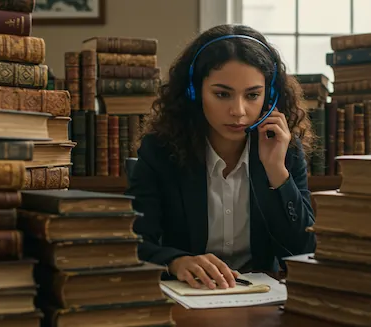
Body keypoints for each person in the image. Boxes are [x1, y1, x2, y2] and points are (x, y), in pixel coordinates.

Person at [125, 24, 316, 290]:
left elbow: (304, 250)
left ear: (270, 97)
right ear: (194, 92)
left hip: (262, 299)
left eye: (252, 95)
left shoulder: (285, 150)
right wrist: (176, 261)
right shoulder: (160, 151)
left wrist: (277, 172)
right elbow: (133, 242)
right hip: (189, 297)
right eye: (222, 94)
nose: (238, 111)